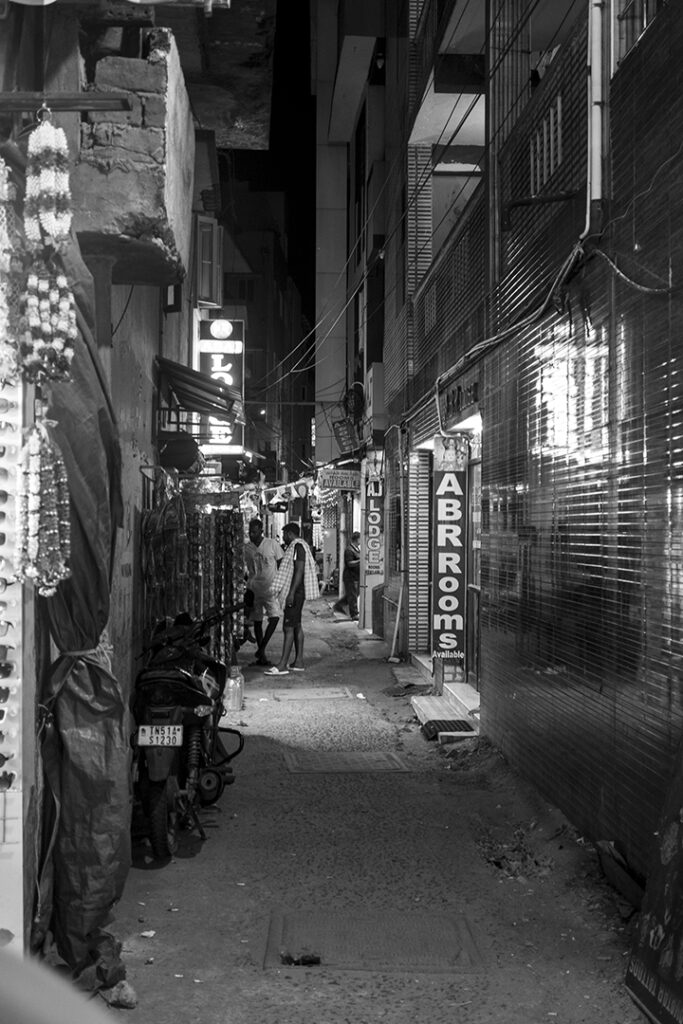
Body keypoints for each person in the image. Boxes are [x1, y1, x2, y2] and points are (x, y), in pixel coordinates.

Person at [265, 522, 319, 676]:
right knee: (296, 625)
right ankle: (298, 662)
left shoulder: (297, 547)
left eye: (284, 534)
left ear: (289, 534)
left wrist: (291, 593)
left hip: (296, 592)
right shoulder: (299, 546)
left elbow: (299, 570)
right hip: (298, 592)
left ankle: (282, 665)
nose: (283, 538)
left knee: (288, 627)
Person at [244, 518, 284, 666]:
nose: (252, 535)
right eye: (250, 532)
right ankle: (262, 656)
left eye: (254, 532)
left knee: (275, 617)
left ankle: (262, 648)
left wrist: (281, 583)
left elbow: (281, 563)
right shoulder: (247, 548)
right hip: (254, 588)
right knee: (257, 621)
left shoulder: (272, 544)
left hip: (270, 588)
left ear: (261, 531)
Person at [334, 531, 361, 620]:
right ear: (357, 539)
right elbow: (349, 563)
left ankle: (339, 605)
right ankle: (354, 614)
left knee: (354, 594)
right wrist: (360, 561)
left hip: (355, 576)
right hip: (350, 577)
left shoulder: (357, 549)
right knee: (352, 595)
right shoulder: (349, 550)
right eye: (360, 539)